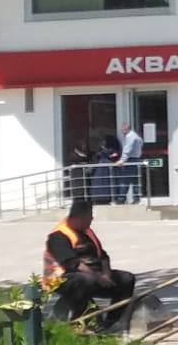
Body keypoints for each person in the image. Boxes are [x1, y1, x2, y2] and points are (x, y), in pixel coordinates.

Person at [44, 199, 137, 329]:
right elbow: (72, 264)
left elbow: (103, 256)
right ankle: (79, 321)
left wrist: (106, 274)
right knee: (86, 280)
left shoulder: (87, 232)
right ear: (79, 217)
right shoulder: (58, 236)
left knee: (127, 279)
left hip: (95, 277)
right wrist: (98, 277)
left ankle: (112, 323)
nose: (92, 219)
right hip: (61, 280)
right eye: (90, 216)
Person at [117, 124, 145, 204]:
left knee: (125, 180)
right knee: (134, 180)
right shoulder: (136, 136)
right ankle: (136, 199)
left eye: (123, 130)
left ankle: (121, 199)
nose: (122, 132)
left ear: (127, 129)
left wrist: (122, 160)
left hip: (130, 160)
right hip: (135, 159)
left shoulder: (130, 137)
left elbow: (127, 149)